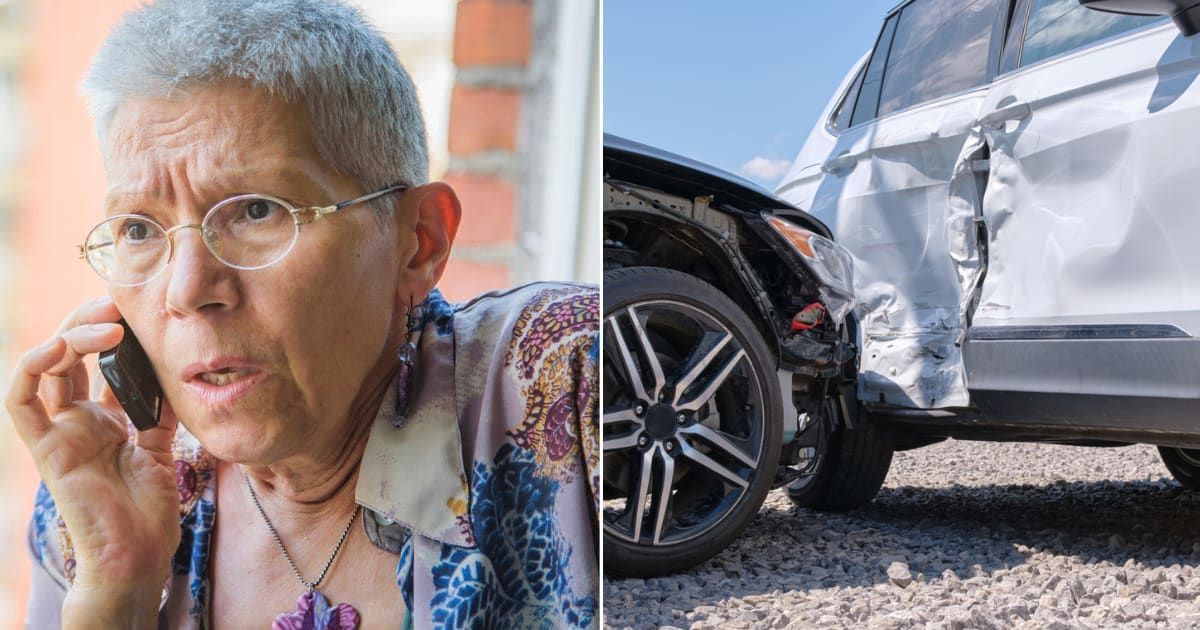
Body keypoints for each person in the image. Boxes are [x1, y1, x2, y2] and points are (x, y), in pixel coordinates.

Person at [7, 0, 599, 627]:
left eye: (257, 211)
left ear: (418, 242)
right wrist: (115, 590)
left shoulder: (564, 382)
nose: (185, 289)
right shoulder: (101, 493)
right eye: (137, 228)